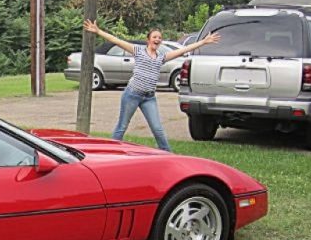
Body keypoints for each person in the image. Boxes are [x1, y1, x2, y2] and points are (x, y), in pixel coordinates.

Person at [83, 20, 220, 152]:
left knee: (157, 128)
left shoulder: (161, 57)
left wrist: (203, 41)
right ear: (148, 39)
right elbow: (117, 40)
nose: (157, 39)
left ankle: (167, 154)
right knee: (122, 126)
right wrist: (98, 31)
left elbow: (184, 49)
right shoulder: (138, 51)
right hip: (132, 95)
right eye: (155, 37)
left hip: (149, 98)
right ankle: (110, 152)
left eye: (159, 38)